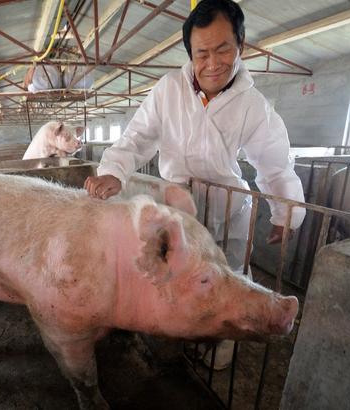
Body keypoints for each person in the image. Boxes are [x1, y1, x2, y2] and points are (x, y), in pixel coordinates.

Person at [84, 0, 307, 370]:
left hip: (226, 203)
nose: (213, 62)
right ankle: (184, 330)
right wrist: (114, 171)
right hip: (178, 204)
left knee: (231, 274)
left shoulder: (252, 104)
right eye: (202, 53)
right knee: (181, 274)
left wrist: (286, 212)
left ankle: (224, 340)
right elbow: (137, 137)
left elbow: (274, 160)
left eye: (223, 49)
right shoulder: (168, 89)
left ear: (241, 45)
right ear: (190, 53)